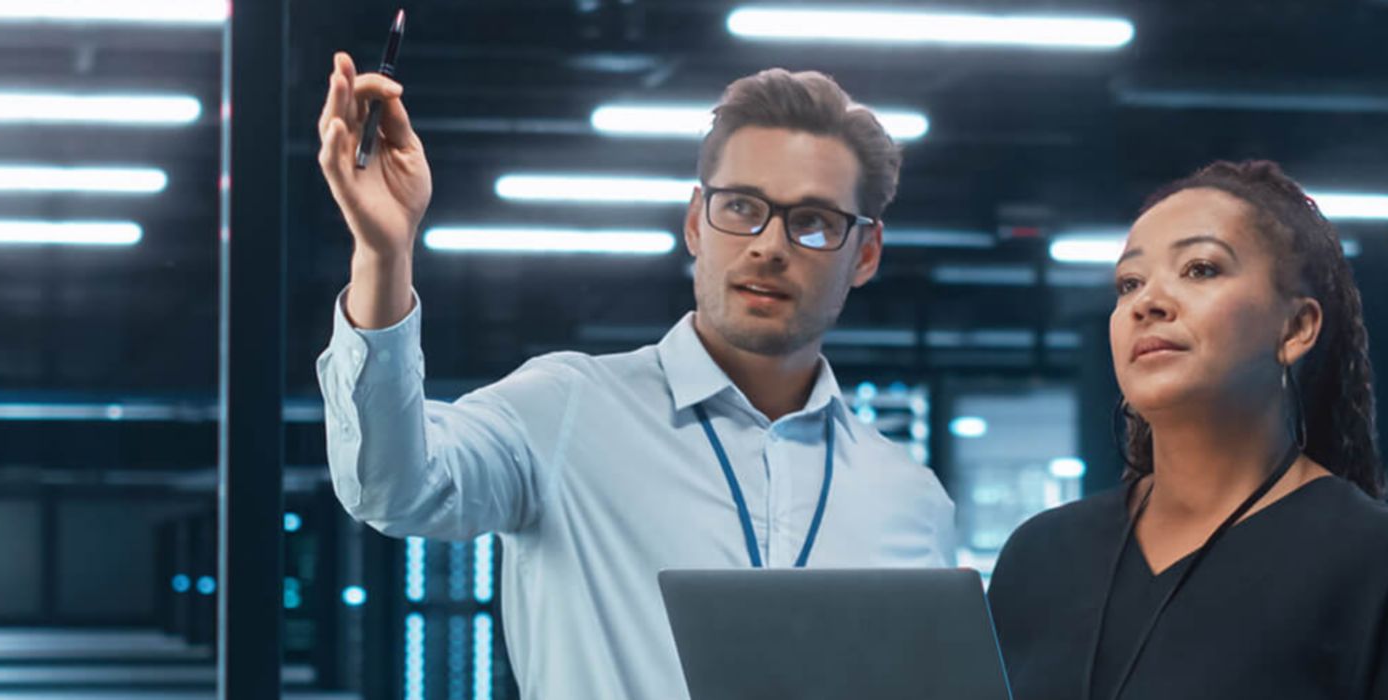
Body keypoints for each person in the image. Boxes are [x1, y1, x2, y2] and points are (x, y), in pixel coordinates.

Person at [312, 51, 955, 699]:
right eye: (740, 207)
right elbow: (388, 486)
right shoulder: (564, 410)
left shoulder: (910, 501)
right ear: (695, 223)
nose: (769, 245)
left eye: (813, 222)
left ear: (865, 254)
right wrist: (383, 256)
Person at [986, 161, 1388, 699]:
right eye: (1128, 283)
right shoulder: (1039, 556)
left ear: (1296, 328)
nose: (1147, 302)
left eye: (1200, 269)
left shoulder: (1385, 563)